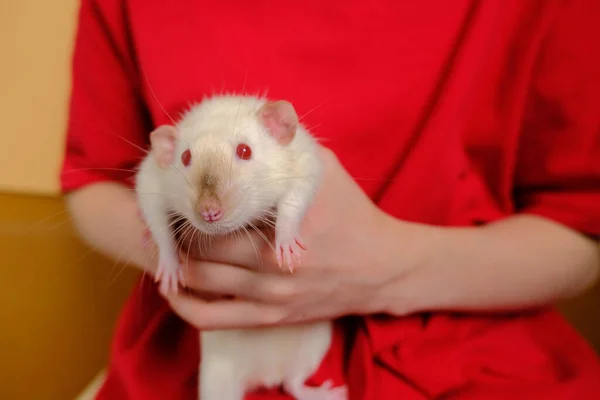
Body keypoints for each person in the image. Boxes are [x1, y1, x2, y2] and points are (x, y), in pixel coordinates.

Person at [61, 0, 600, 399]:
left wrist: (389, 269)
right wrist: (174, 254)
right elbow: (93, 181)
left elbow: (580, 221)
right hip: (199, 351)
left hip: (472, 360)